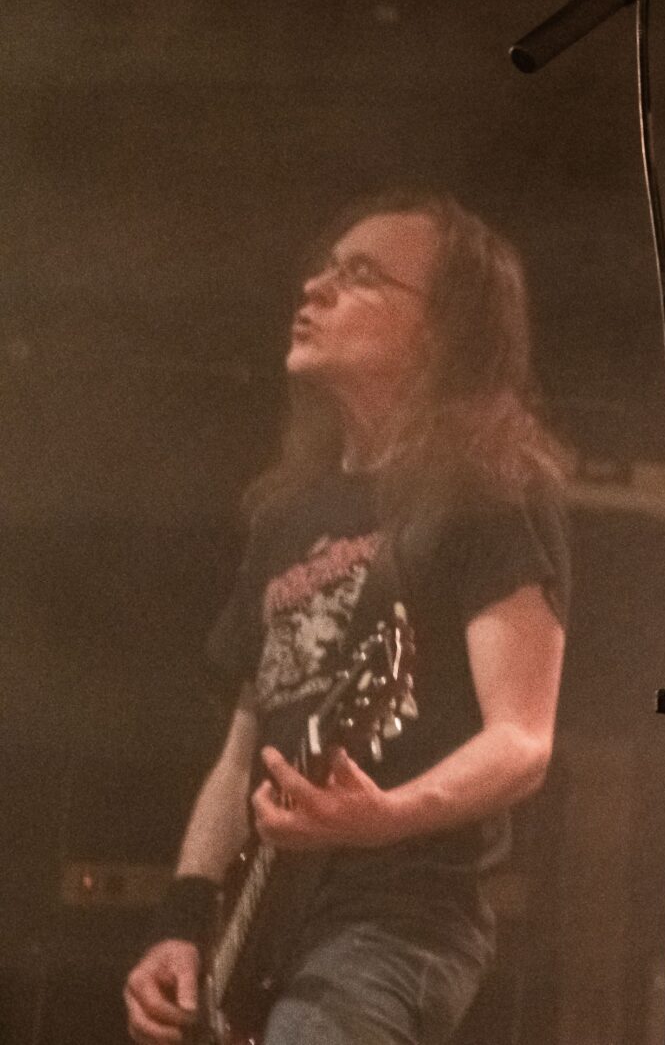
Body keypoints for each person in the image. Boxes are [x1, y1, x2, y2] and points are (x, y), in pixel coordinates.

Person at [123, 195, 571, 1045]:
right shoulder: (284, 518)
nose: (315, 288)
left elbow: (523, 740)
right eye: (323, 268)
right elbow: (240, 756)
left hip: (398, 917)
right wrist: (182, 921)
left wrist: (388, 813)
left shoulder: (488, 493)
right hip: (261, 926)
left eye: (360, 275)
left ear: (444, 330)